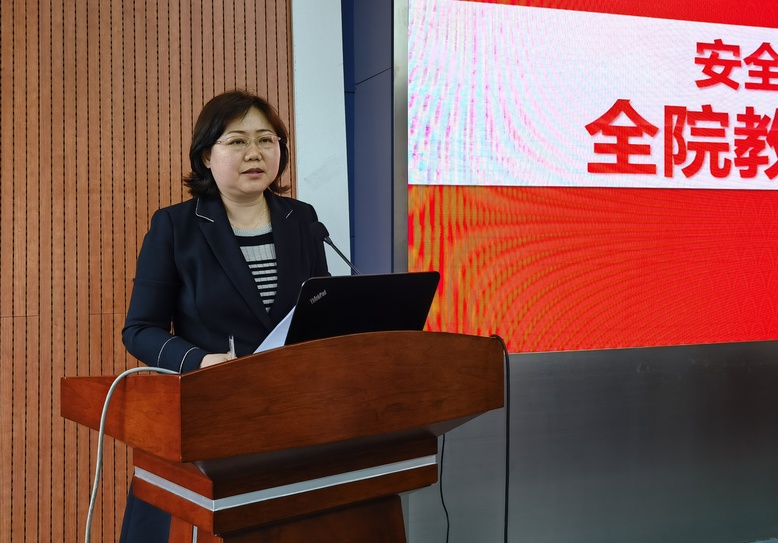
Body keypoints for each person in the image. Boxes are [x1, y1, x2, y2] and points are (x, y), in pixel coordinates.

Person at [119, 90, 330, 542]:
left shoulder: (302, 220)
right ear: (206, 156)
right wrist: (200, 361)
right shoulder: (175, 226)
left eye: (266, 140)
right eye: (237, 141)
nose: (255, 153)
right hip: (211, 416)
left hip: (292, 416)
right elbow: (140, 330)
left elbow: (319, 310)